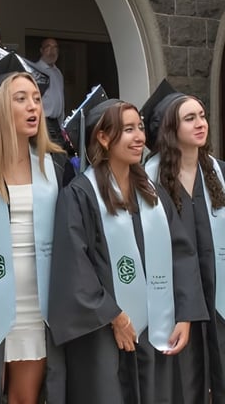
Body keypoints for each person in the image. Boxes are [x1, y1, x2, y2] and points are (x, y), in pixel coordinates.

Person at [49, 98, 208, 404]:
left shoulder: (152, 192)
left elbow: (181, 253)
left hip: (155, 327)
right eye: (128, 130)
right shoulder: (81, 195)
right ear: (103, 137)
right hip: (104, 333)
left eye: (139, 128)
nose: (140, 138)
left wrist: (184, 316)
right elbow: (74, 267)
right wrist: (115, 317)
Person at [0, 55, 73, 403]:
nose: (33, 107)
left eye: (37, 99)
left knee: (24, 398)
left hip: (36, 299)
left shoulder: (54, 166)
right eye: (21, 98)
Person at [142, 80, 225, 402]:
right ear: (169, 127)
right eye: (189, 118)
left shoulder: (219, 173)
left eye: (202, 115)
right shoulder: (148, 180)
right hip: (175, 299)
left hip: (219, 293)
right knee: (184, 383)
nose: (201, 123)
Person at [33, 38, 65, 145]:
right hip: (43, 122)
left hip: (56, 123)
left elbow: (61, 99)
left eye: (55, 48)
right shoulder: (35, 70)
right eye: (48, 47)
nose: (52, 51)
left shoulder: (58, 72)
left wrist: (62, 126)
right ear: (41, 50)